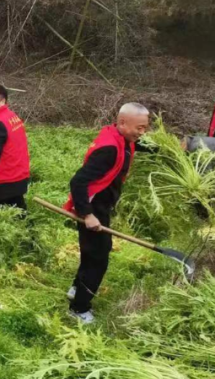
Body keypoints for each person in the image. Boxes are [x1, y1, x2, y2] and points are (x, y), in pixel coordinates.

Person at [64, 104, 151, 325]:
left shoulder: (124, 139)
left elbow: (136, 146)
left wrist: (167, 151)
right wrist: (87, 214)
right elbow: (78, 181)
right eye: (139, 128)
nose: (142, 133)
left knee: (90, 251)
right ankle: (79, 309)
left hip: (101, 206)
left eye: (145, 128)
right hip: (94, 209)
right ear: (122, 123)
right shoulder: (109, 149)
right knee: (98, 258)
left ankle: (76, 289)